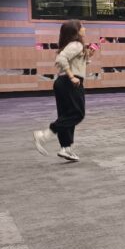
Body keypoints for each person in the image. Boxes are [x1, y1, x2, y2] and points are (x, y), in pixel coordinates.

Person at [33, 19, 93, 161]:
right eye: (82, 27)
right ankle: (45, 135)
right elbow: (61, 59)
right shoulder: (77, 44)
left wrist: (87, 57)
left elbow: (72, 62)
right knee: (77, 113)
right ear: (76, 31)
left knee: (66, 115)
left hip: (63, 82)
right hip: (69, 82)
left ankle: (65, 148)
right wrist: (72, 76)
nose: (84, 29)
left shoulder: (72, 45)